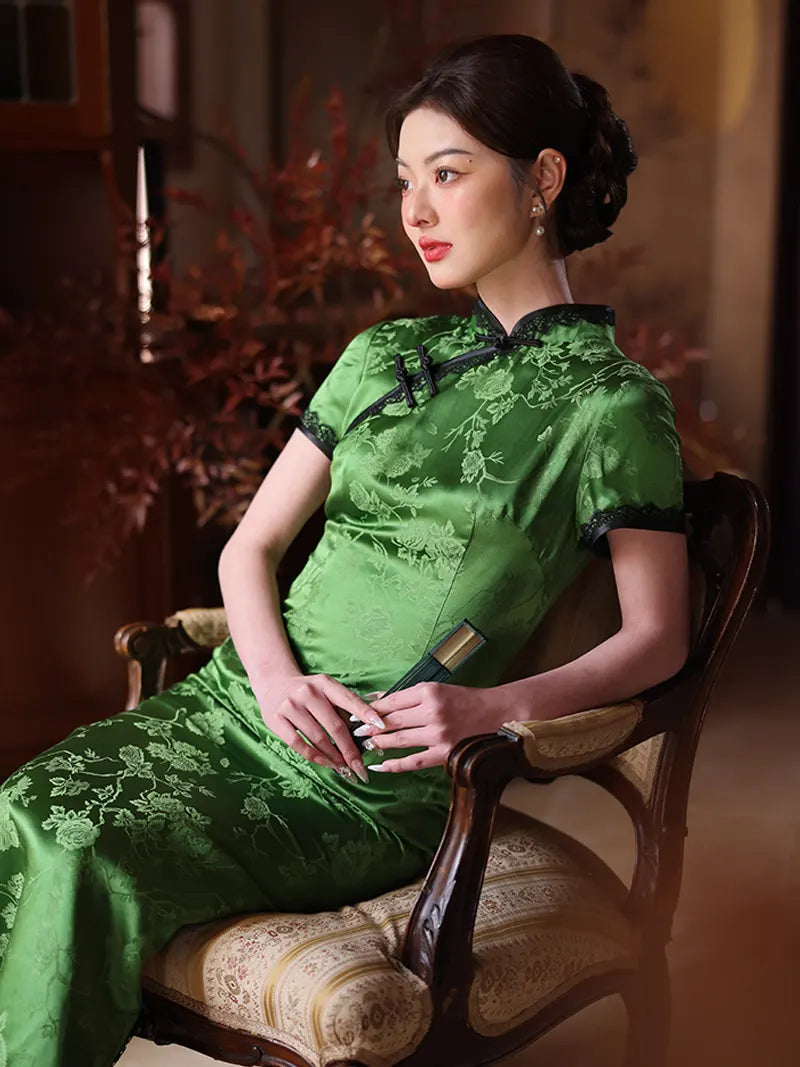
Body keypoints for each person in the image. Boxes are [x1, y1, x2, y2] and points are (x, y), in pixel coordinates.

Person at [0, 34, 689, 1067]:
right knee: (28, 803)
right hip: (241, 703)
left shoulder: (608, 406)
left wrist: (492, 706)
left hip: (367, 773)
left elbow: (657, 635)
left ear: (539, 178)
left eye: (446, 175)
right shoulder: (382, 357)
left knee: (81, 840)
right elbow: (249, 548)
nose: (412, 212)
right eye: (404, 181)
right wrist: (270, 679)